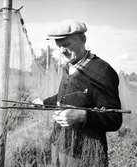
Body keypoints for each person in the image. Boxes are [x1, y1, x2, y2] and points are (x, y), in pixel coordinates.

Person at [35, 20, 122, 167]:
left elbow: (115, 118)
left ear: (83, 40)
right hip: (60, 144)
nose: (62, 50)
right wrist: (43, 103)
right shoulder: (69, 66)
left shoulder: (102, 71)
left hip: (85, 155)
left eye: (66, 44)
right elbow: (65, 97)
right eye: (59, 46)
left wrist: (82, 116)